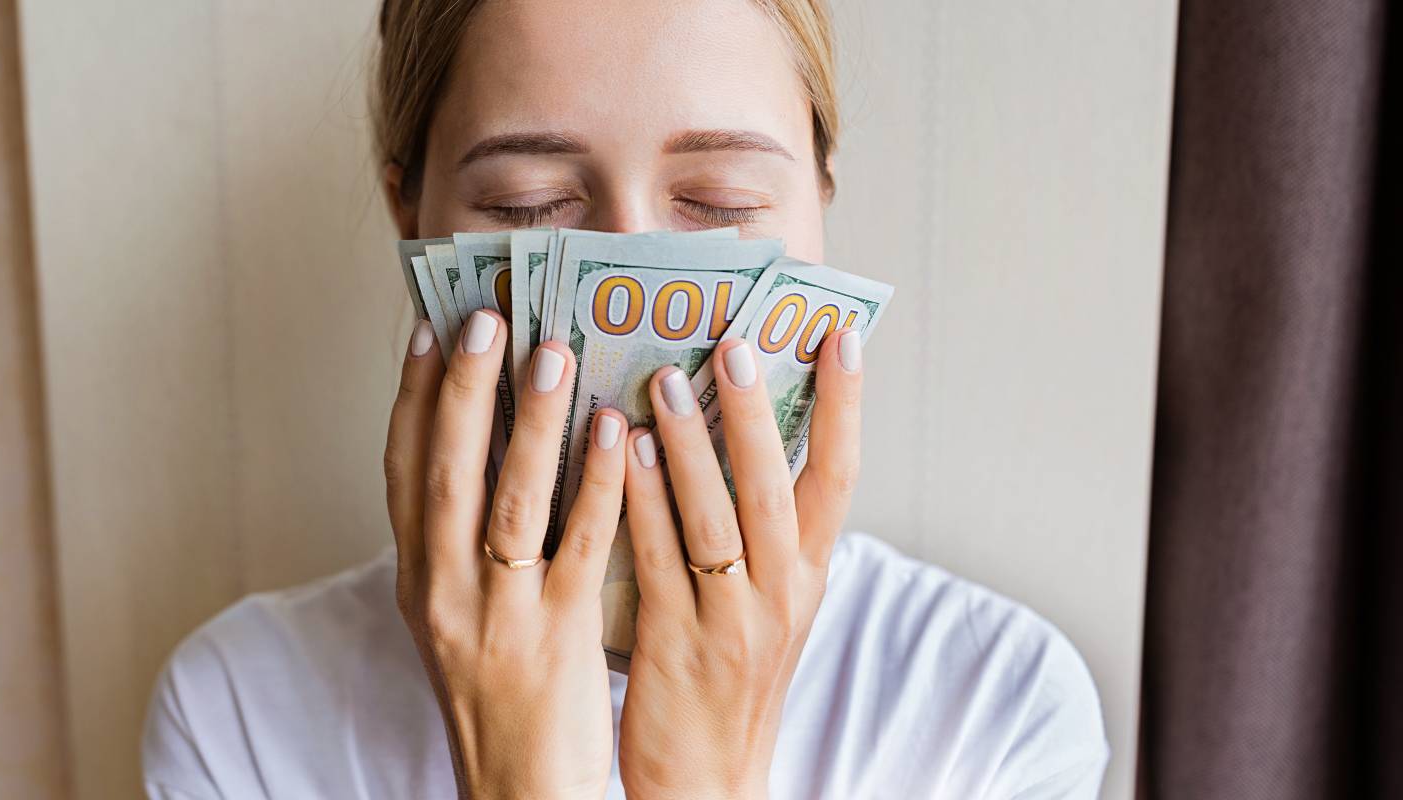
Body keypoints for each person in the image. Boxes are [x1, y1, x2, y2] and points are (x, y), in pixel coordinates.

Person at [142, 0, 1109, 797]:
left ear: (820, 191)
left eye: (721, 201)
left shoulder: (996, 707)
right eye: (528, 205)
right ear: (411, 215)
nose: (631, 260)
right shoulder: (237, 716)